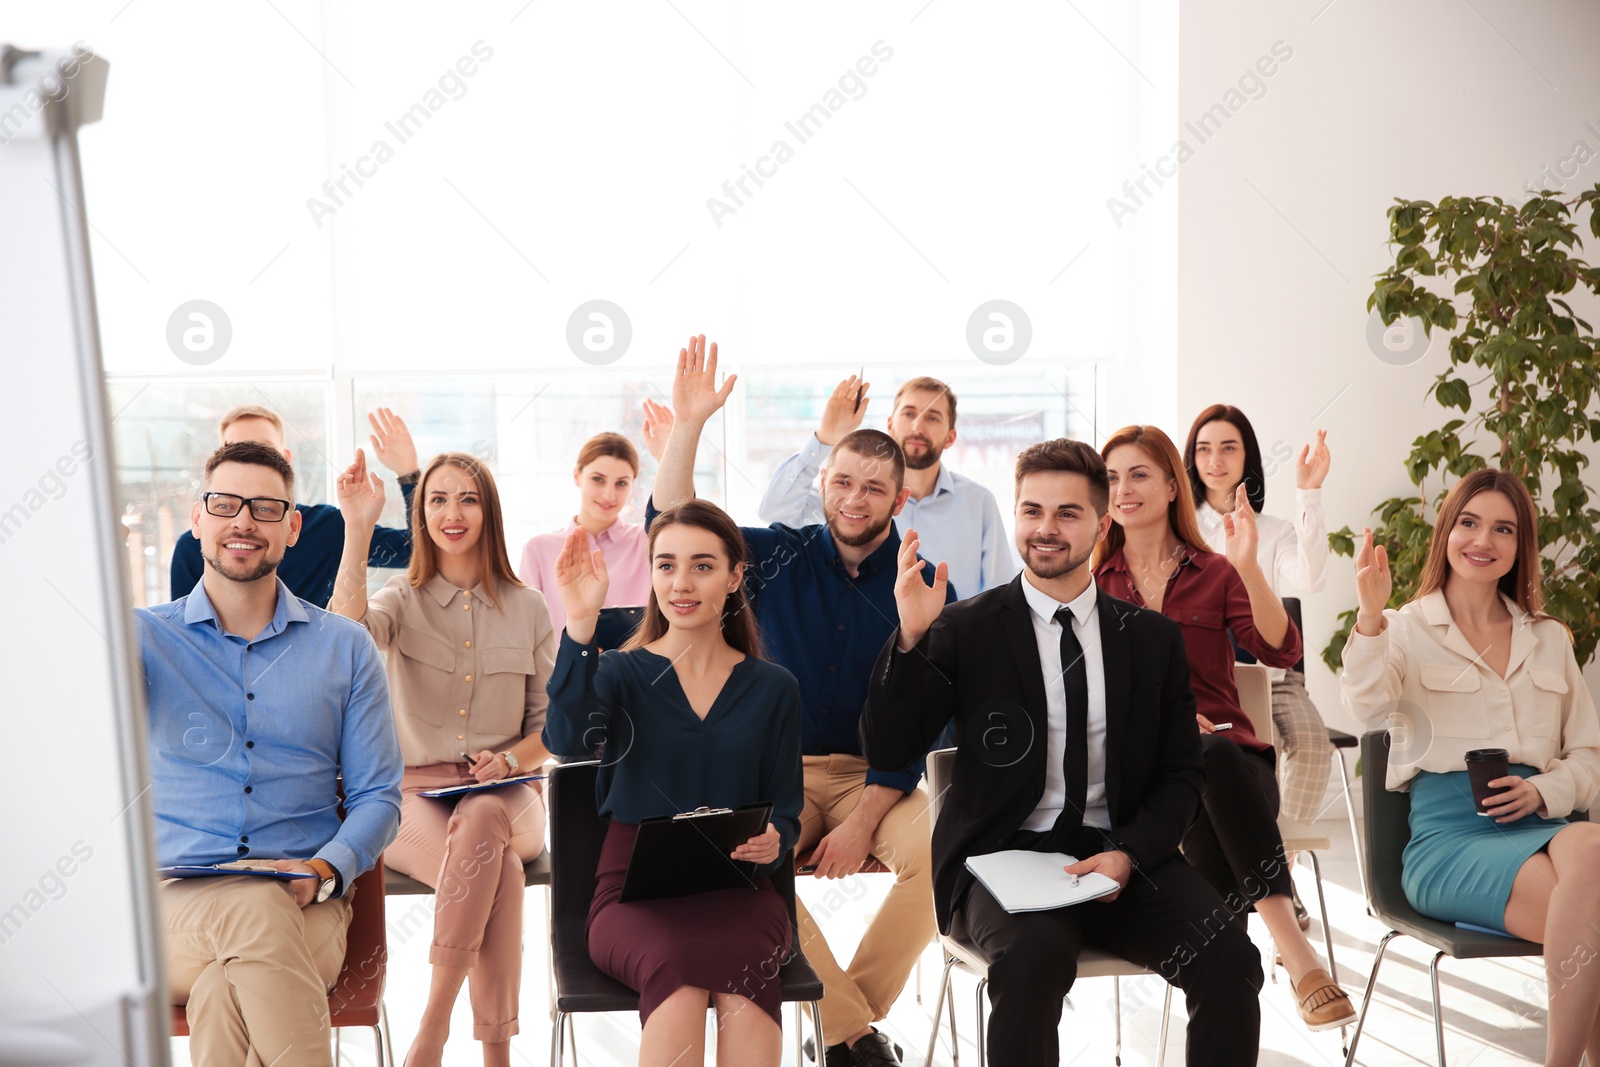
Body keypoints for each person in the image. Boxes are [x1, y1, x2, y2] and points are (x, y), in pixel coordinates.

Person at [861, 438, 1264, 1067]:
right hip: (1003, 860)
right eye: (1032, 511)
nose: (1045, 530)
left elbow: (1182, 773)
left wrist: (1129, 854)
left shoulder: (1150, 639)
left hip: (1125, 856)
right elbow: (890, 745)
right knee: (1030, 962)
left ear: (1102, 525)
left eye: (1067, 514)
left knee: (1231, 956)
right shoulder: (964, 627)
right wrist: (912, 635)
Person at [651, 336, 948, 1066]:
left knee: (952, 850)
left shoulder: (923, 585)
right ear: (822, 480)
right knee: (745, 863)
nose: (854, 499)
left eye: (874, 488)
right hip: (774, 772)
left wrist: (866, 819)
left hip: (877, 778)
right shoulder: (772, 554)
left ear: (900, 499)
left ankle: (848, 1019)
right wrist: (689, 424)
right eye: (843, 481)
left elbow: (925, 720)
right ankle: (855, 1038)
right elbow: (675, 517)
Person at [139, 440, 402, 1067]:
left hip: (303, 901)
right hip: (173, 909)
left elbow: (379, 798)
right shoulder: (139, 638)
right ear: (198, 521)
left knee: (225, 992)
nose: (243, 522)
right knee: (253, 919)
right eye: (225, 504)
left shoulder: (346, 648)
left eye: (263, 508)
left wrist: (326, 870)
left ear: (292, 528)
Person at [1091, 424, 1356, 1032]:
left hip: (1234, 766)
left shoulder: (1215, 570)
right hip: (1141, 779)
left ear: (1168, 484)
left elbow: (1281, 651)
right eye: (1111, 478)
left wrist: (1248, 568)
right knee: (1215, 882)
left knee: (1211, 759)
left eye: (1138, 474)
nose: (1124, 489)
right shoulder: (1091, 582)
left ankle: (1280, 958)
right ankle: (1297, 956)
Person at [1342, 468, 1600, 1066]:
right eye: (1469, 522)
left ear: (1519, 546)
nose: (1484, 540)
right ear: (1446, 533)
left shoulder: (1550, 638)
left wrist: (1543, 793)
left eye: (1503, 529)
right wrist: (1370, 615)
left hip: (1541, 823)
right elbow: (1369, 705)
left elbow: (1587, 755)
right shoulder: (1403, 628)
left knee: (1592, 850)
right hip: (1448, 838)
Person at [542, 498, 803, 1067]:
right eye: (666, 565)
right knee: (677, 972)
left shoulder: (773, 687)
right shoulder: (619, 672)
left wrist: (777, 838)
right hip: (633, 896)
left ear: (736, 576)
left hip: (742, 891)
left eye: (703, 565)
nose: (681, 583)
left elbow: (786, 808)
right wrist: (581, 623)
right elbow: (565, 740)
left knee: (743, 967)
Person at [330, 449, 552, 1067]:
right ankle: (496, 1056)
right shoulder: (400, 597)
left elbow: (552, 728)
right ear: (420, 513)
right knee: (498, 872)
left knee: (484, 819)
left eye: (467, 498)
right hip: (409, 801)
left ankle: (431, 1025)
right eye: (437, 499)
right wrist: (357, 527)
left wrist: (509, 762)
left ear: (490, 510)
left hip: (512, 794)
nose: (452, 513)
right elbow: (343, 632)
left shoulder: (529, 606)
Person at [1184, 405, 1335, 838]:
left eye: (1228, 449)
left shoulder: (1273, 530)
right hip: (1201, 682)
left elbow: (1313, 578)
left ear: (1247, 457)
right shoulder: (1180, 531)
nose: (1215, 461)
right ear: (1191, 459)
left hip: (1271, 679)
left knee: (1310, 745)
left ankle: (1281, 864)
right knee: (1214, 761)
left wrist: (1309, 493)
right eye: (1204, 450)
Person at [753, 373, 1017, 600]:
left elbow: (1000, 591)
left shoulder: (978, 502)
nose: (917, 427)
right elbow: (775, 509)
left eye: (933, 418)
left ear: (950, 437)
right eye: (909, 413)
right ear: (890, 425)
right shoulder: (849, 500)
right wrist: (825, 438)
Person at [170, 404, 419, 606]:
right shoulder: (193, 547)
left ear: (293, 528)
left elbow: (414, 551)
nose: (249, 459)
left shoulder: (328, 527)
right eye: (235, 449)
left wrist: (409, 475)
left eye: (264, 449)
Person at [517, 431, 651, 634]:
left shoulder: (647, 542)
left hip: (632, 665)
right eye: (598, 479)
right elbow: (525, 631)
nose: (609, 495)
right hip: (560, 666)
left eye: (621, 483)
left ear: (633, 484)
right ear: (577, 476)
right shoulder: (539, 550)